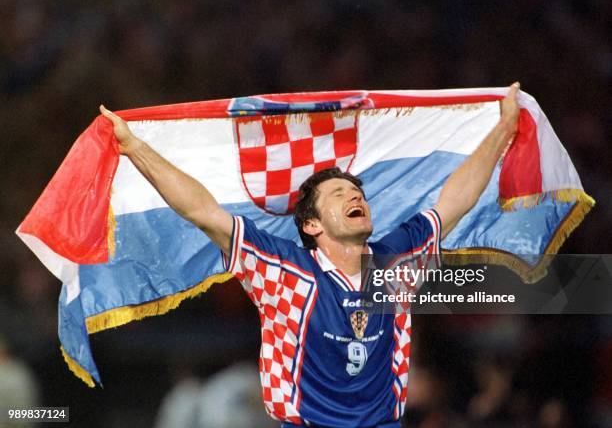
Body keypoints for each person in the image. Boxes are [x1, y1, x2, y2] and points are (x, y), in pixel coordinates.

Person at [100, 82, 521, 427]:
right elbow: (203, 211)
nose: (355, 195)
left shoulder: (397, 259)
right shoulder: (282, 269)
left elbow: (455, 201)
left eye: (357, 192)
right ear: (312, 225)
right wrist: (135, 148)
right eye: (339, 194)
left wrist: (503, 130)